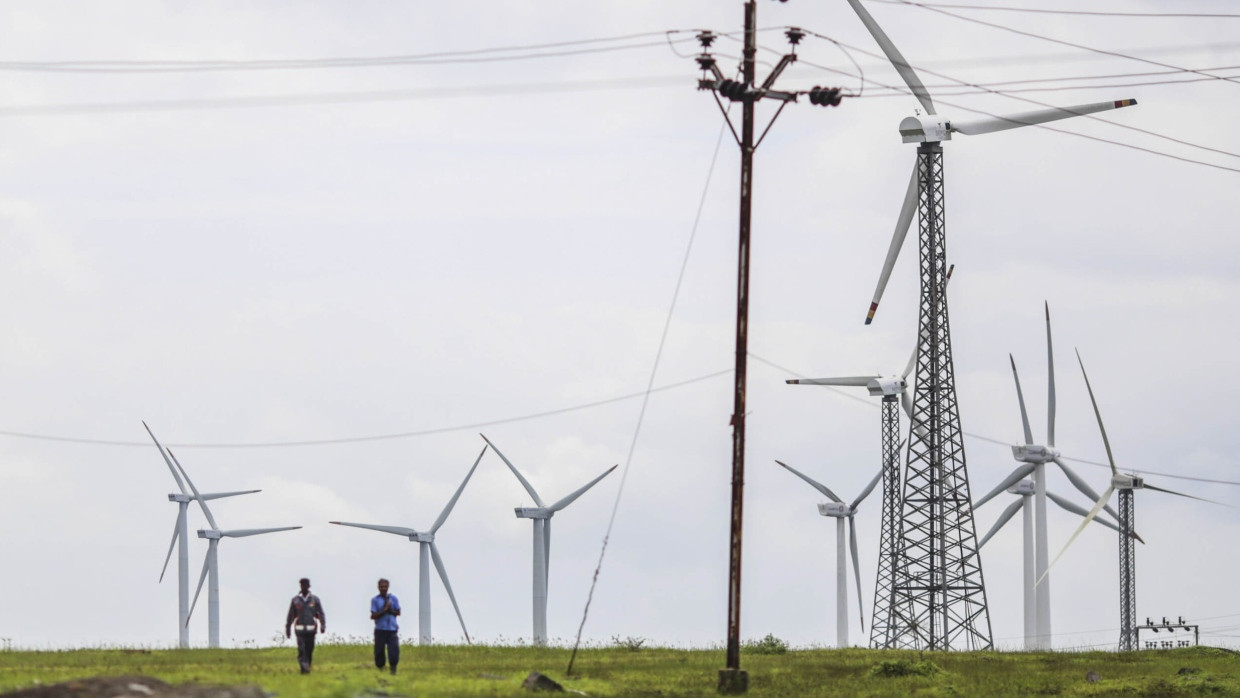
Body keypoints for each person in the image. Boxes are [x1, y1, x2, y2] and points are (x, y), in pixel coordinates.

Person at [285, 577, 326, 674]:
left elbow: (321, 613)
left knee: (309, 649)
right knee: (302, 650)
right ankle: (304, 668)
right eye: (302, 585)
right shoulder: (295, 600)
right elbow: (290, 615)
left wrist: (323, 625)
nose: (304, 587)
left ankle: (308, 665)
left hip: (311, 630)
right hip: (300, 630)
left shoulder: (315, 600)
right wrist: (288, 628)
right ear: (300, 586)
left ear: (309, 586)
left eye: (305, 585)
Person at [370, 578, 401, 674]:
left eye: (385, 586)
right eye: (381, 586)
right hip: (380, 629)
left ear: (388, 587)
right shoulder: (375, 600)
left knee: (394, 650)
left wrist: (390, 610)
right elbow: (373, 615)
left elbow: (398, 612)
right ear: (378, 587)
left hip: (392, 629)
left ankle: (393, 668)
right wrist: (385, 609)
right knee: (379, 651)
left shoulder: (393, 599)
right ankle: (381, 668)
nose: (383, 588)